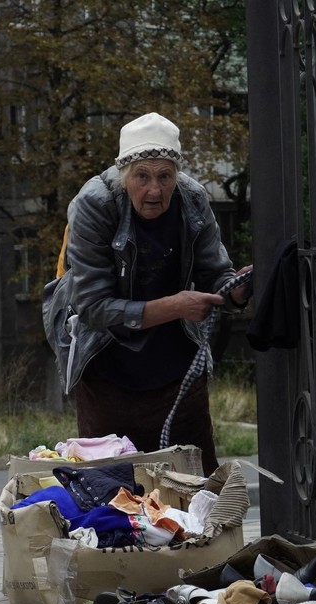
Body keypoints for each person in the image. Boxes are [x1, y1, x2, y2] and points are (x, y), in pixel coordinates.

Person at [56, 112, 252, 476]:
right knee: (115, 497)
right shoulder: (94, 204)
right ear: (122, 174)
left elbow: (215, 272)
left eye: (165, 177)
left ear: (176, 175)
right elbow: (92, 308)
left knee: (197, 489)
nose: (154, 191)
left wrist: (238, 289)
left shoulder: (192, 198)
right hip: (106, 372)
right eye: (142, 177)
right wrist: (176, 306)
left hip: (178, 375)